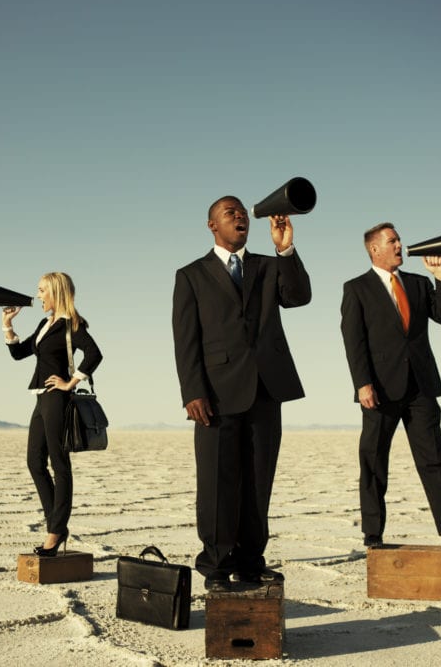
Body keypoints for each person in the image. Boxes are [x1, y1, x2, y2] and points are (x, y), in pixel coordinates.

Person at [172, 195, 312, 591]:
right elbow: (186, 340)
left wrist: (285, 248)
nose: (240, 217)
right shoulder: (191, 275)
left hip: (267, 389)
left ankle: (251, 562)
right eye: (229, 213)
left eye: (242, 213)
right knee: (217, 483)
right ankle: (216, 566)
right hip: (215, 395)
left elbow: (299, 297)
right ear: (212, 224)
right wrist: (192, 391)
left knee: (257, 481)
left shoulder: (268, 266)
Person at [340, 223, 441, 549]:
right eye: (392, 241)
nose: (400, 245)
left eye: (398, 240)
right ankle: (373, 534)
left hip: (421, 386)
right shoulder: (357, 288)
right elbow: (353, 340)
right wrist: (362, 384)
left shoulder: (418, 283)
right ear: (374, 249)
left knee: (435, 459)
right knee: (373, 459)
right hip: (379, 389)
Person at [2, 272, 102, 556]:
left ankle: (55, 531)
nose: (38, 295)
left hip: (57, 399)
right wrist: (7, 326)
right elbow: (20, 353)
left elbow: (94, 353)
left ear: (56, 293)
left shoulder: (71, 325)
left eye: (42, 290)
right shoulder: (45, 324)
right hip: (40, 399)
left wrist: (71, 381)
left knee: (59, 465)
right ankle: (56, 525)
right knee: (34, 461)